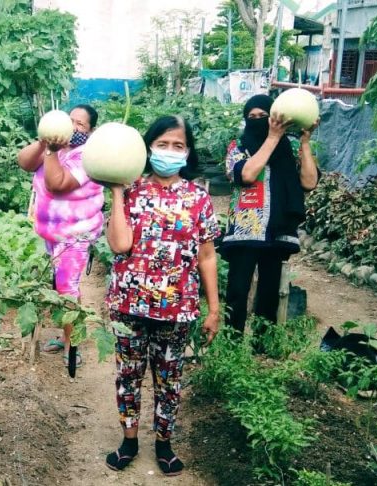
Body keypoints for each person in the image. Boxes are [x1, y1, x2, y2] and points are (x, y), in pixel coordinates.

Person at [103, 116, 220, 476]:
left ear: (188, 151)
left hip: (177, 308)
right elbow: (119, 244)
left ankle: (164, 445)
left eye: (178, 145)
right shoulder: (131, 190)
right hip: (129, 304)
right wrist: (118, 192)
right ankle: (129, 441)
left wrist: (213, 309)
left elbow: (207, 256)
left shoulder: (199, 198)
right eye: (162, 144)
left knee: (169, 379)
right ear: (148, 148)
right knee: (128, 374)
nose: (170, 151)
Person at [219, 94, 319, 341]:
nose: (257, 120)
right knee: (237, 289)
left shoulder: (291, 147)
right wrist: (272, 138)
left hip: (278, 228)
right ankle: (231, 343)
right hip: (245, 227)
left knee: (269, 291)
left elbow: (309, 182)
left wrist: (305, 143)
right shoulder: (238, 147)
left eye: (262, 116)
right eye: (251, 116)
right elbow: (246, 175)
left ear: (273, 116)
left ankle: (263, 343)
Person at [16, 104, 103, 368]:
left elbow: (57, 184)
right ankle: (68, 336)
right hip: (52, 233)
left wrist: (52, 151)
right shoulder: (55, 148)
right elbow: (24, 163)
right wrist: (44, 142)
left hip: (74, 236)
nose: (73, 127)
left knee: (66, 290)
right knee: (64, 287)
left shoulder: (89, 157)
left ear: (91, 131)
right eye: (70, 120)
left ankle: (71, 346)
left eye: (80, 124)